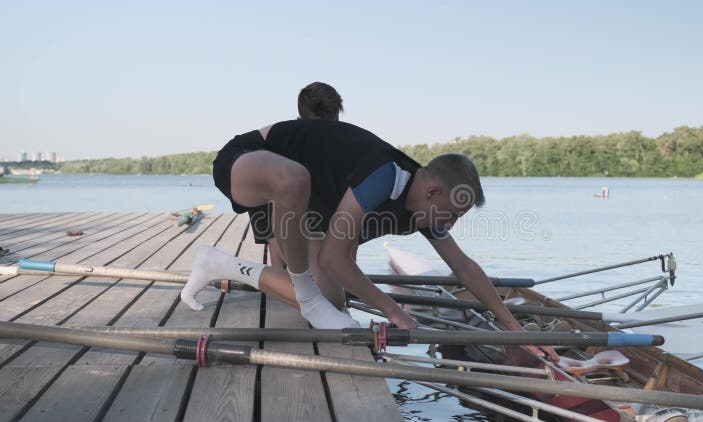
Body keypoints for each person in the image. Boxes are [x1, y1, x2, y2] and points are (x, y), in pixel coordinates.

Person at [183, 119, 558, 360]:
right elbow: (335, 258)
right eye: (454, 214)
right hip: (249, 159)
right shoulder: (386, 176)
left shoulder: (424, 209)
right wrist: (392, 309)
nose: (452, 224)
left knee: (332, 303)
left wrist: (513, 328)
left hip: (306, 202)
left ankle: (219, 264)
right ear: (432, 193)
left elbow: (463, 266)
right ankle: (296, 287)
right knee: (294, 181)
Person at [250, 82, 345, 268]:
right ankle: (283, 280)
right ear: (332, 116)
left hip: (279, 204)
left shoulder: (289, 134)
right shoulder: (289, 141)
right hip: (269, 204)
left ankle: (287, 279)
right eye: (336, 118)